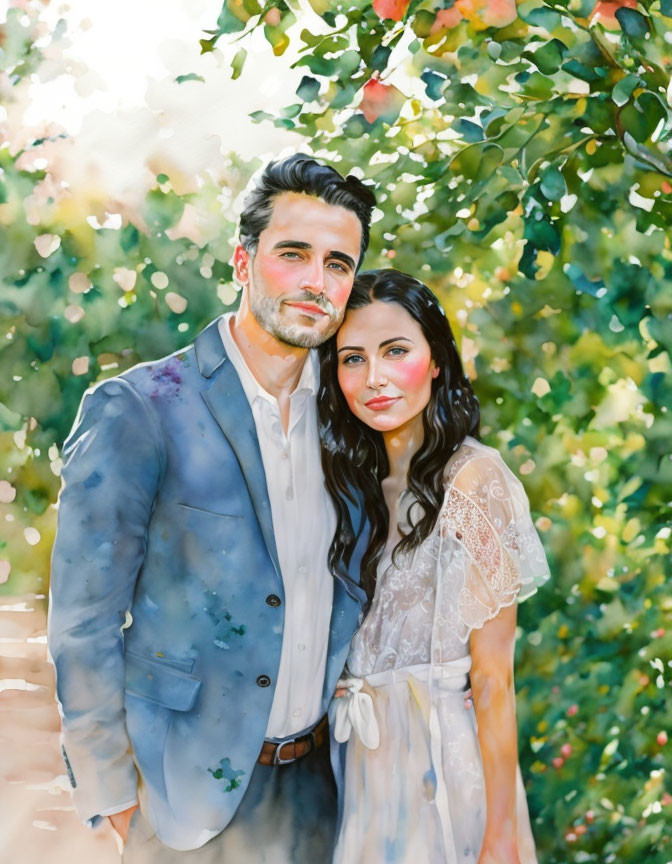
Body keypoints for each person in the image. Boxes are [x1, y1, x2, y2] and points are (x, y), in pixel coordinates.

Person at [48, 154, 375, 862]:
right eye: (294, 255)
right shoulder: (140, 410)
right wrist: (114, 795)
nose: (317, 282)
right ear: (242, 261)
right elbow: (83, 623)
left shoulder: (353, 422)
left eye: (338, 264)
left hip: (317, 792)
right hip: (180, 804)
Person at [318, 269, 551, 864]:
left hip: (445, 765)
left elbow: (493, 679)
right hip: (366, 766)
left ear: (437, 359)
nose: (374, 378)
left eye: (396, 351)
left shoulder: (474, 481)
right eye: (352, 358)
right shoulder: (352, 487)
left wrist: (500, 832)